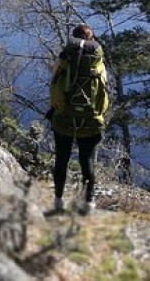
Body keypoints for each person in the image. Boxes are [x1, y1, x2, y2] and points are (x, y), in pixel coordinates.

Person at [47, 24, 109, 214]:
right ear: (91, 40)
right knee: (87, 161)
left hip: (64, 117)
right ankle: (88, 202)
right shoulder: (97, 63)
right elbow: (104, 88)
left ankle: (58, 201)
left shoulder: (64, 58)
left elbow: (54, 84)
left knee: (62, 160)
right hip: (90, 119)